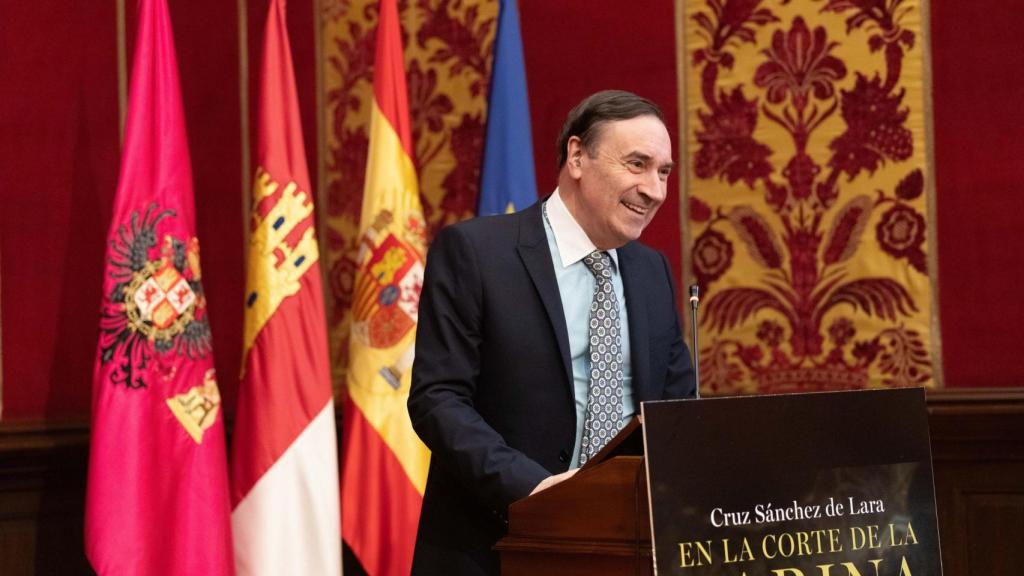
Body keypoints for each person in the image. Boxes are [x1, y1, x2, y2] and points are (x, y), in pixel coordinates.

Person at [408, 90, 697, 575]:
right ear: (578, 156)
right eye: (637, 164)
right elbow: (438, 400)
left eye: (664, 172)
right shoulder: (476, 254)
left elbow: (674, 410)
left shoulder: (651, 272)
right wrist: (538, 491)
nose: (655, 190)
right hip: (497, 544)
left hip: (625, 550)